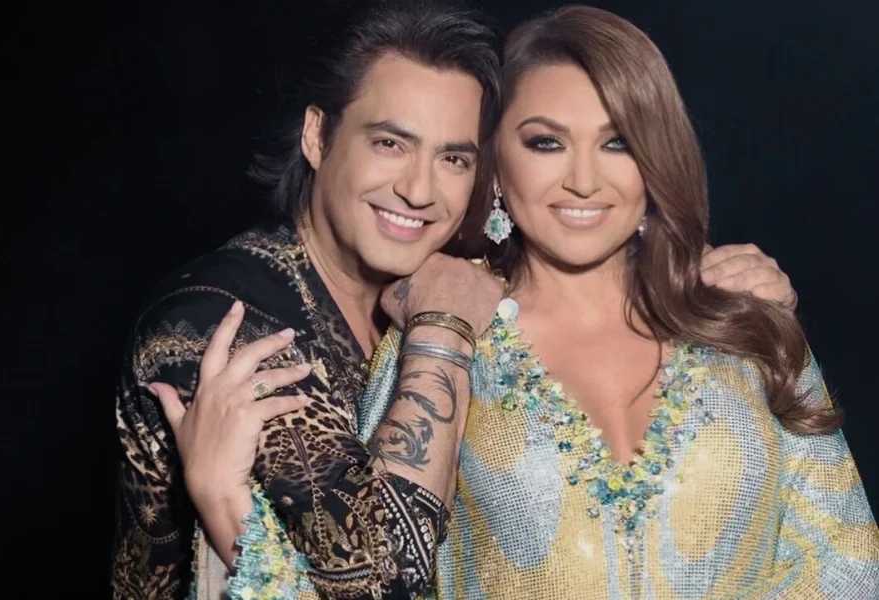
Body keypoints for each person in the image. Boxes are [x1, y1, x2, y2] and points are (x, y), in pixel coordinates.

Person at [118, 2, 805, 600]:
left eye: (453, 158)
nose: (420, 191)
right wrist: (224, 505)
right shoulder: (219, 324)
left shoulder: (450, 276)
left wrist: (708, 284)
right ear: (317, 137)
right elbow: (386, 579)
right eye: (390, 143)